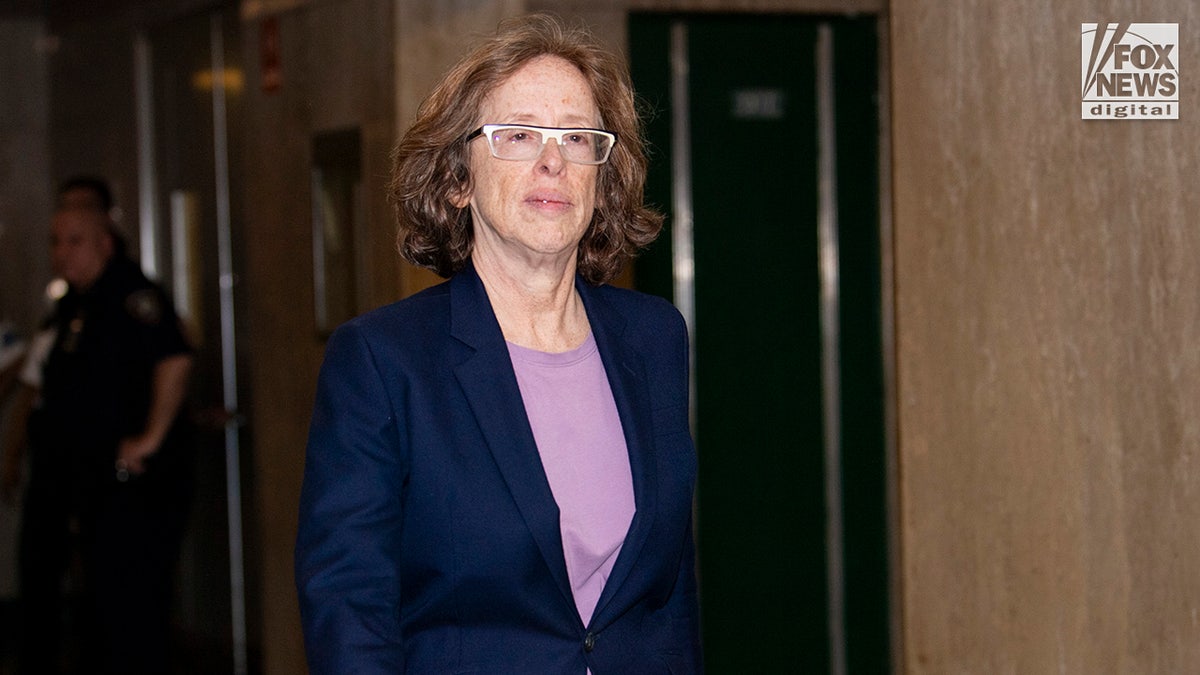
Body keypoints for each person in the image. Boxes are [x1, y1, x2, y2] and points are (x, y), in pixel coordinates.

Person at [295, 13, 702, 673]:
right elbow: (350, 612)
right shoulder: (384, 361)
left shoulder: (653, 337)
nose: (553, 161)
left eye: (576, 137)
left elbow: (671, 590)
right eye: (517, 135)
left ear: (602, 179)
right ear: (459, 180)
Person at [11, 198, 194, 674]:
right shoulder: (73, 304)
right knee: (95, 608)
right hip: (84, 482)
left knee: (130, 608)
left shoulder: (131, 295)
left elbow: (174, 359)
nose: (62, 253)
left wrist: (149, 438)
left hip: (131, 484)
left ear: (105, 244)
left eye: (75, 241)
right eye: (56, 242)